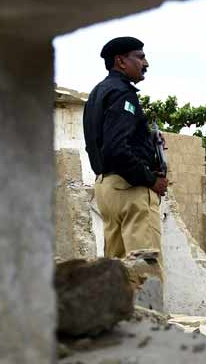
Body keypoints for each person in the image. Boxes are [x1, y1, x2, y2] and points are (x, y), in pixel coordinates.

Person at [83, 36, 168, 259]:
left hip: (107, 188)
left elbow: (106, 141)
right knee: (145, 272)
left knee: (118, 271)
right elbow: (116, 149)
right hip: (128, 189)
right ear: (121, 61)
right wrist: (151, 180)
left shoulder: (98, 93)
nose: (146, 63)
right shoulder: (123, 93)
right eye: (140, 57)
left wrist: (148, 142)